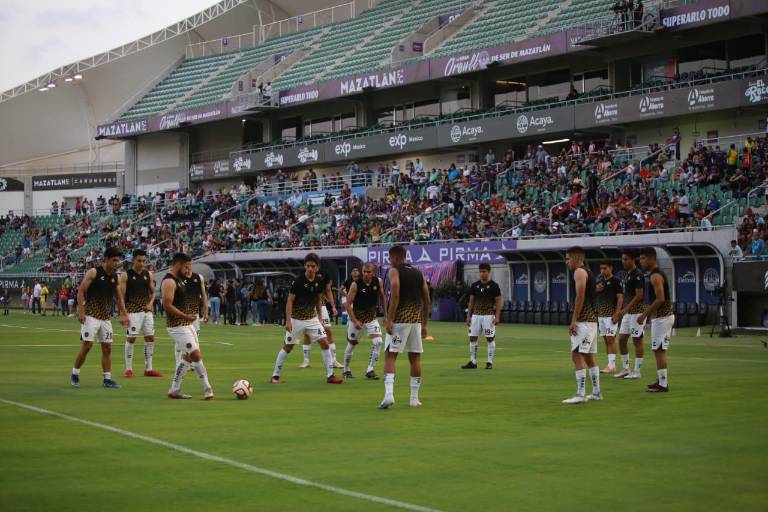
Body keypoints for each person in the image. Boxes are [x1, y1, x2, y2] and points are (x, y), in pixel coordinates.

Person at [271, 253, 344, 385]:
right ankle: (275, 376)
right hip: (296, 319)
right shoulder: (298, 282)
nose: (310, 268)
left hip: (312, 319)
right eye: (308, 266)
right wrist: (288, 320)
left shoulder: (319, 281)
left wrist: (320, 317)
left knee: (324, 343)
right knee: (288, 347)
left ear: (317, 268)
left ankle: (330, 376)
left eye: (313, 266)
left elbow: (317, 298)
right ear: (305, 266)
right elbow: (289, 301)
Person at [379, 245, 431, 409]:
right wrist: (424, 324)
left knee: (390, 356)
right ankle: (414, 399)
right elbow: (427, 299)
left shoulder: (394, 271)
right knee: (415, 358)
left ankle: (389, 395)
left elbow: (395, 291)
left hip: (400, 320)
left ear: (394, 258)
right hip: (415, 321)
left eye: (390, 259)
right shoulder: (418, 273)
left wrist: (389, 318)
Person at [70, 247, 127, 389]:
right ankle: (75, 374)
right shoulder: (94, 272)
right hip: (91, 316)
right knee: (87, 346)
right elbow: (81, 291)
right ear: (106, 259)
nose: (116, 263)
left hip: (105, 318)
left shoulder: (115, 277)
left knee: (107, 348)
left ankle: (107, 379)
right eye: (114, 260)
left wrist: (124, 313)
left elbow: (119, 297)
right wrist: (81, 311)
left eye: (117, 261)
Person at [164, 253, 214, 400]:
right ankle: (207, 388)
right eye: (186, 266)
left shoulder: (181, 279)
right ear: (178, 264)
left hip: (188, 323)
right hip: (176, 325)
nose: (188, 270)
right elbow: (167, 305)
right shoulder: (169, 281)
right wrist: (186, 316)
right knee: (196, 354)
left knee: (188, 357)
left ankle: (174, 389)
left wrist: (201, 310)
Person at [562, 246, 602, 404]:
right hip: (591, 320)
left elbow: (580, 296)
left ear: (577, 258)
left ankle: (580, 394)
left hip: (584, 320)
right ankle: (597, 392)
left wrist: (573, 321)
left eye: (568, 258)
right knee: (589, 357)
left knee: (576, 355)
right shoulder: (589, 272)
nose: (566, 262)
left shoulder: (578, 272)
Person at [118, 249, 161, 379]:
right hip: (132, 312)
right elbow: (121, 295)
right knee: (131, 338)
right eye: (139, 261)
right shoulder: (125, 275)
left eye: (143, 261)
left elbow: (153, 292)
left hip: (146, 312)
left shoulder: (148, 274)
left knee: (150, 338)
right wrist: (123, 313)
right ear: (133, 260)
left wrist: (150, 303)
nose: (142, 263)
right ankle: (129, 369)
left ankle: (148, 369)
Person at [638, 248, 673, 392]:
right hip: (662, 317)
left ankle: (663, 385)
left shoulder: (655, 276)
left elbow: (660, 299)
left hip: (663, 316)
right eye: (640, 259)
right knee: (658, 349)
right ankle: (661, 380)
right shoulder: (653, 275)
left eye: (644, 258)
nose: (641, 261)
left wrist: (644, 314)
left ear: (653, 259)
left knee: (659, 350)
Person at [343, 263, 386, 380]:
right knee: (352, 344)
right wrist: (354, 320)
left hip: (371, 319)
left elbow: (383, 298)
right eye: (364, 272)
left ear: (374, 272)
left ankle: (370, 370)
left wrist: (386, 316)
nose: (366, 274)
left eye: (369, 272)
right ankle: (346, 370)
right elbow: (347, 304)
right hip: (357, 319)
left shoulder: (378, 282)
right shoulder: (355, 284)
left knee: (378, 342)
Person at [462, 262, 502, 370]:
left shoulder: (494, 286)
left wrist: (497, 317)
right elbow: (471, 302)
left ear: (489, 272)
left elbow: (498, 302)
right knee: (472, 338)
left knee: (489, 338)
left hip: (489, 316)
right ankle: (473, 362)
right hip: (476, 316)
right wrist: (468, 316)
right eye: (480, 272)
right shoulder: (475, 285)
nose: (482, 274)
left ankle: (489, 362)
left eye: (484, 272)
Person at [300, 267, 342, 369]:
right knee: (307, 334)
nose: (311, 267)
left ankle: (334, 360)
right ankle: (306, 361)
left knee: (328, 331)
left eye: (314, 265)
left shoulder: (324, 273)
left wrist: (333, 306)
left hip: (322, 306)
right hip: (308, 306)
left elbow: (328, 290)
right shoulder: (303, 273)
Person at [615, 249, 646, 380]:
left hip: (637, 311)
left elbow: (639, 295)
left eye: (626, 259)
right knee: (621, 339)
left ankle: (637, 371)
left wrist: (624, 309)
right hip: (628, 313)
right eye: (622, 259)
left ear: (633, 260)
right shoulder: (628, 274)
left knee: (637, 341)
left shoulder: (638, 274)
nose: (624, 261)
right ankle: (626, 368)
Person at [596, 261, 623, 373]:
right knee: (606, 340)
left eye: (605, 268)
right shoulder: (600, 280)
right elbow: (594, 292)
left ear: (611, 268)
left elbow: (620, 298)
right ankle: (610, 364)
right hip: (601, 314)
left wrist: (617, 313)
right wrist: (597, 289)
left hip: (611, 314)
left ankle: (611, 365)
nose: (603, 271)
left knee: (610, 339)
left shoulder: (616, 281)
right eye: (601, 268)